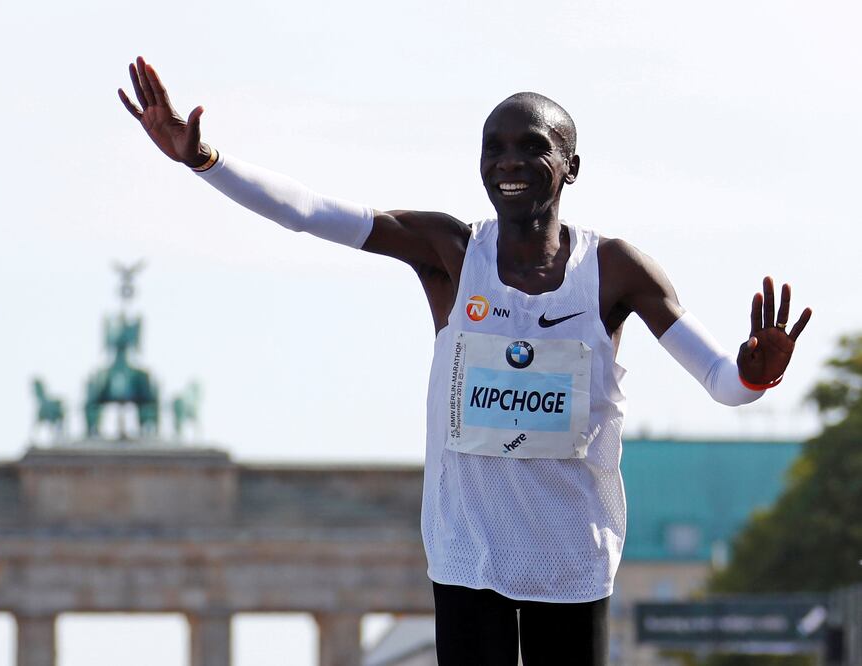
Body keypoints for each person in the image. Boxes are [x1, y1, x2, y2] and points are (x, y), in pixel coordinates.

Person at [119, 56, 811, 665]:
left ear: (571, 165)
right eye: (494, 148)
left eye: (531, 146)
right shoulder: (450, 253)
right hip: (467, 554)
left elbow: (724, 382)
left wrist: (757, 370)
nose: (508, 161)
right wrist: (205, 160)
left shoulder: (616, 270)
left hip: (570, 555)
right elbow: (310, 213)